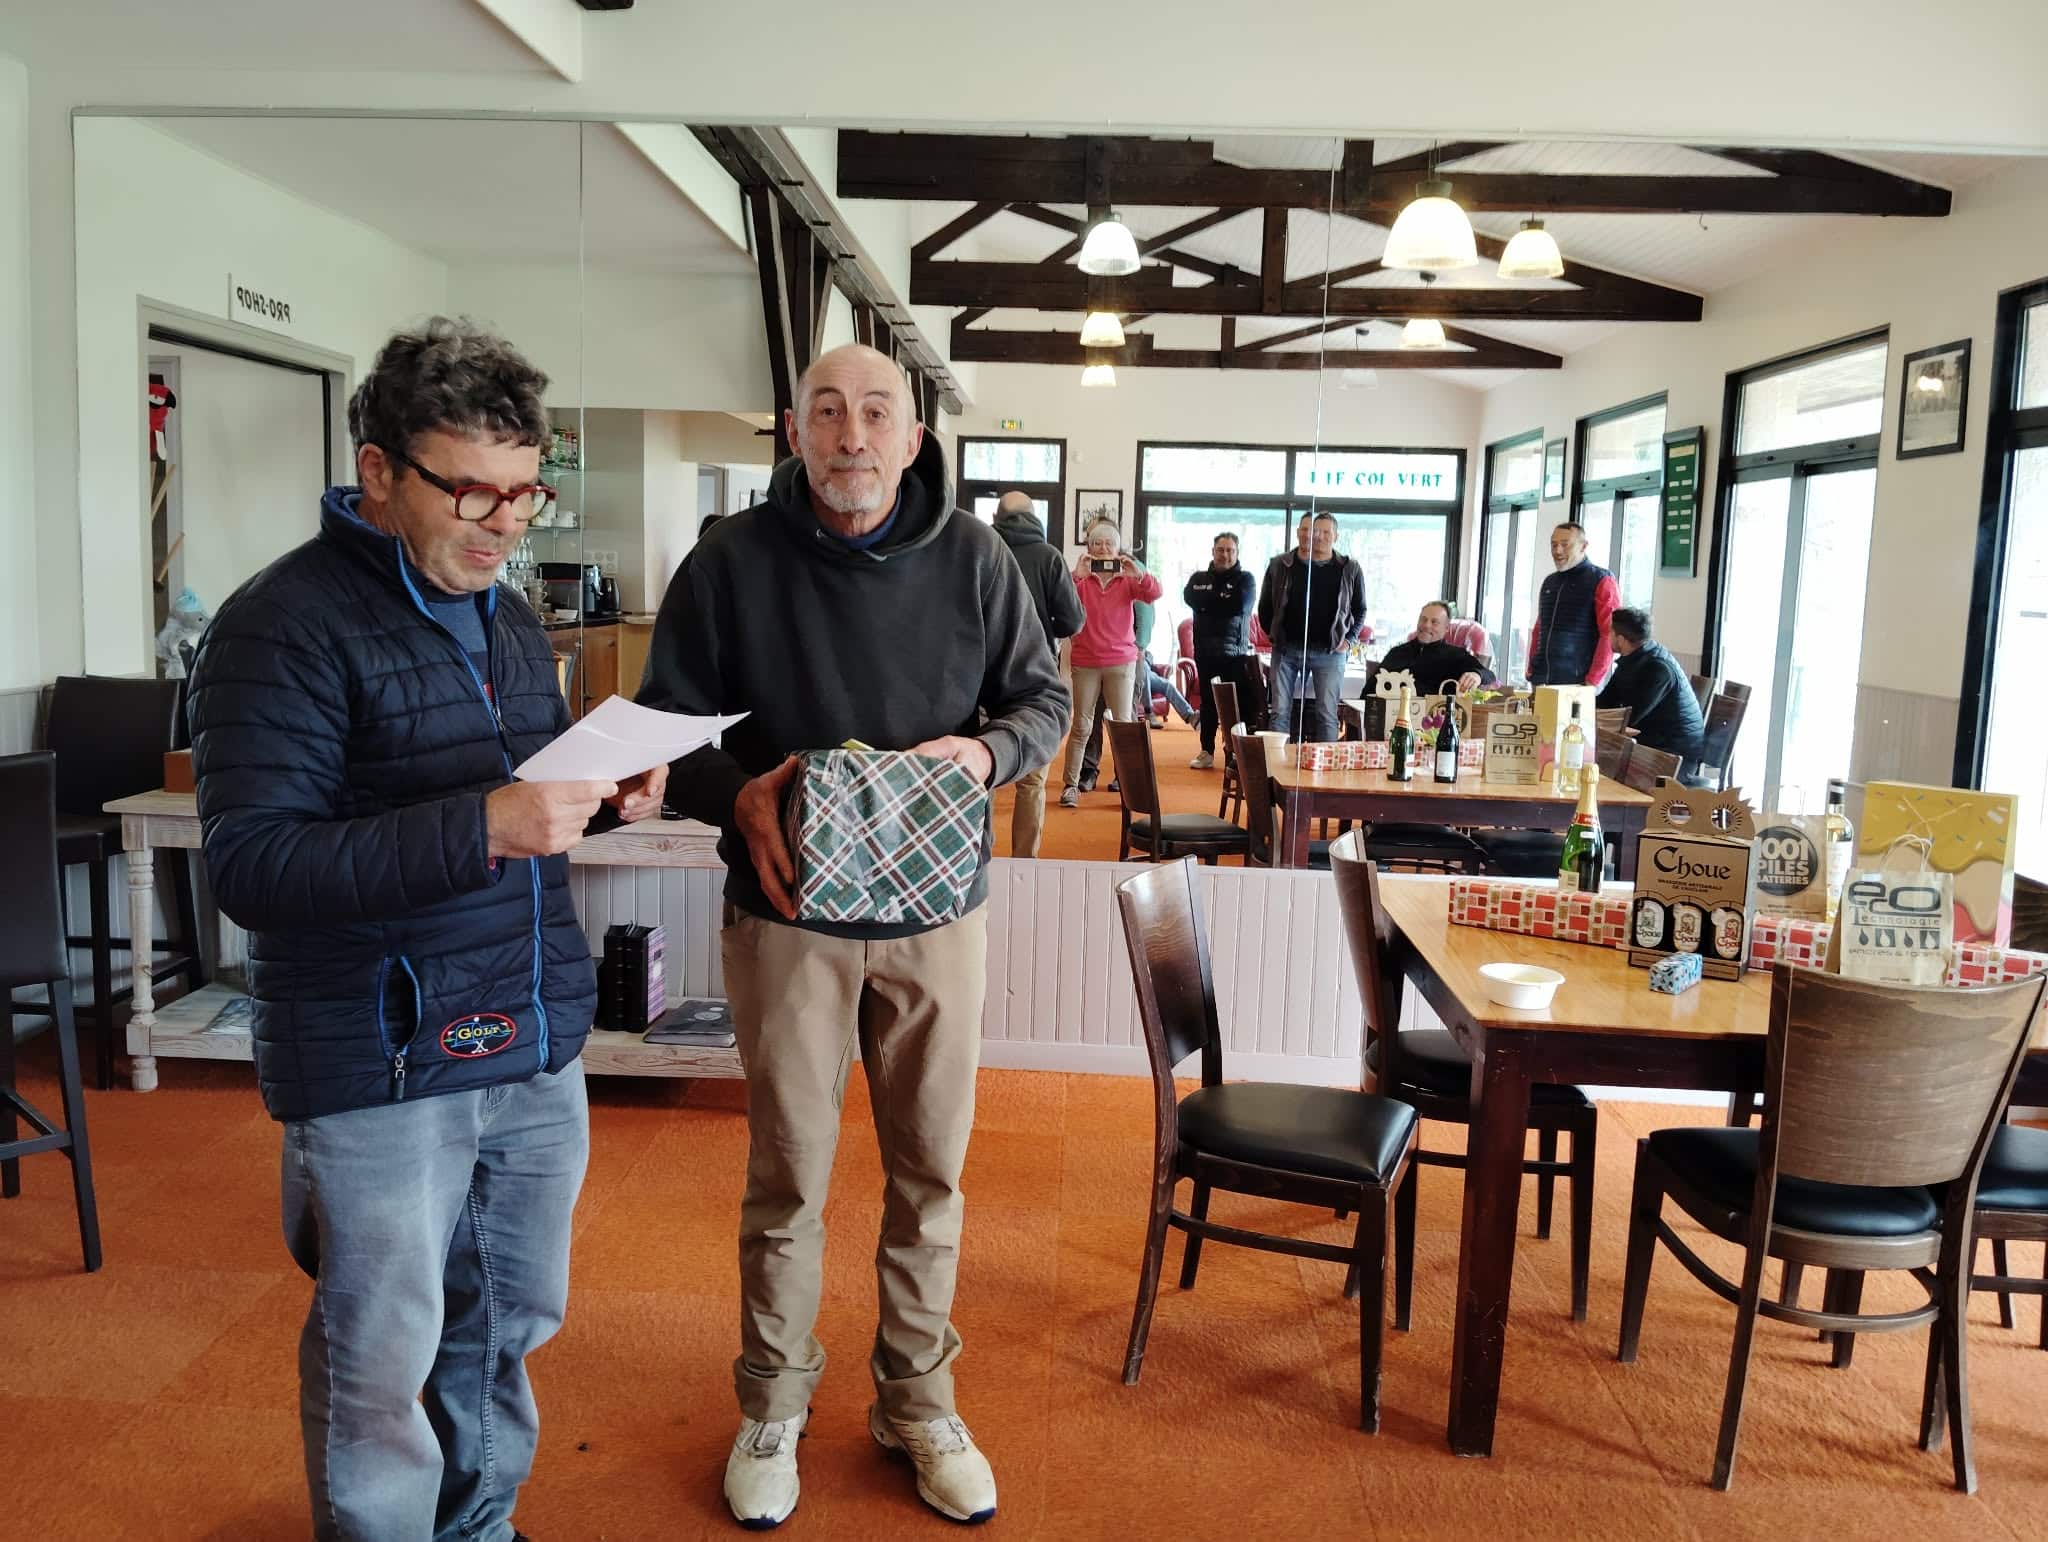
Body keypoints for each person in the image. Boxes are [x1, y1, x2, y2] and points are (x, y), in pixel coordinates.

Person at [185, 317, 666, 1542]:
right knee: (380, 1358)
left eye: (523, 493)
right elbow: (252, 864)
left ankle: (478, 1528)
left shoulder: (501, 615)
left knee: (505, 1325)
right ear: (378, 470)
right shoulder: (278, 625)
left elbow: (510, 797)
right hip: (380, 1058)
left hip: (527, 1031)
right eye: (471, 492)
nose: (503, 525)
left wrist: (597, 792)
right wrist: (485, 824)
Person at [637, 344, 1067, 1529]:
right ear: (793, 430)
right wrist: (735, 794)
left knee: (930, 1173)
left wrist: (986, 752)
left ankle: (916, 1400)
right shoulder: (729, 562)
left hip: (937, 917)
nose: (851, 434)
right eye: (826, 411)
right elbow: (665, 732)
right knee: (786, 1176)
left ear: (912, 439)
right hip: (789, 919)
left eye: (876, 413)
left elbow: (1041, 701)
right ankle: (772, 1403)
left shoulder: (976, 558)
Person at [993, 491, 1083, 857]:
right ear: (1034, 517)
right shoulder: (1049, 557)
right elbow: (1073, 620)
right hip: (1034, 673)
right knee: (1031, 782)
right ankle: (1024, 861)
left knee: (981, 773)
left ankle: (976, 859)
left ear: (997, 516)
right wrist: (1046, 628)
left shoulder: (980, 549)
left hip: (981, 675)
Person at [1060, 519, 1162, 807]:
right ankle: (1070, 785)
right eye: (1097, 543)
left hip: (1121, 662)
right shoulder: (1081, 580)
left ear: (1118, 549)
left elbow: (1155, 593)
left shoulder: (1128, 579)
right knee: (1081, 725)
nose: (1103, 548)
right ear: (1089, 547)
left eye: (1109, 543)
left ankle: (1129, 785)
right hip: (1086, 661)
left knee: (1124, 725)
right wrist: (1075, 576)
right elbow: (1061, 603)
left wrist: (1139, 574)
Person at [1255, 511, 1366, 742]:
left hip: (1330, 651)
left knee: (1327, 714)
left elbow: (1360, 610)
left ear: (1336, 536)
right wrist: (1275, 636)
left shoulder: (1350, 568)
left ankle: (1325, 763)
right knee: (1280, 712)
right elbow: (1265, 607)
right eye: (1316, 531)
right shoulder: (1281, 565)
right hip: (1287, 650)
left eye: (1326, 532)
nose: (1320, 536)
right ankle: (1278, 763)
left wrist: (1349, 641)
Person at [1597, 606, 1705, 773]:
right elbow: (1606, 701)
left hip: (1674, 758)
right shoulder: (1634, 658)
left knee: (1600, 763)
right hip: (1654, 745)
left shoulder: (1658, 669)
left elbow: (1630, 717)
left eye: (1610, 632)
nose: (1607, 636)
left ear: (1621, 639)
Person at [1184, 530, 1257, 769]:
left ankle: (1234, 753)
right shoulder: (1198, 578)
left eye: (1230, 550)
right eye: (1220, 550)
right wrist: (1221, 599)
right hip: (1205, 653)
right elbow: (1190, 598)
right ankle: (1206, 751)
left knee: (1234, 706)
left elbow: (1239, 605)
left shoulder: (1246, 580)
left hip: (1235, 655)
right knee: (1208, 705)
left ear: (1237, 553)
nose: (1225, 554)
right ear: (1213, 551)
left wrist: (1209, 602)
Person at [1527, 522, 1620, 687]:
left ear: (1583, 546)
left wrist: (1592, 680)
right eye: (1554, 545)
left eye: (1565, 544)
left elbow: (1609, 634)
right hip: (1541, 678)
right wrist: (1531, 668)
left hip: (1579, 682)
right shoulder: (1550, 582)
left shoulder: (1602, 580)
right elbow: (1539, 628)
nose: (1558, 550)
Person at [1378, 600, 1497, 695]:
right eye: (1423, 619)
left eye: (1434, 622)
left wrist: (1477, 675)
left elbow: (1489, 675)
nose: (1426, 625)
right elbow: (1371, 686)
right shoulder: (1397, 653)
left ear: (1446, 628)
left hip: (1436, 716)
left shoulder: (1456, 656)